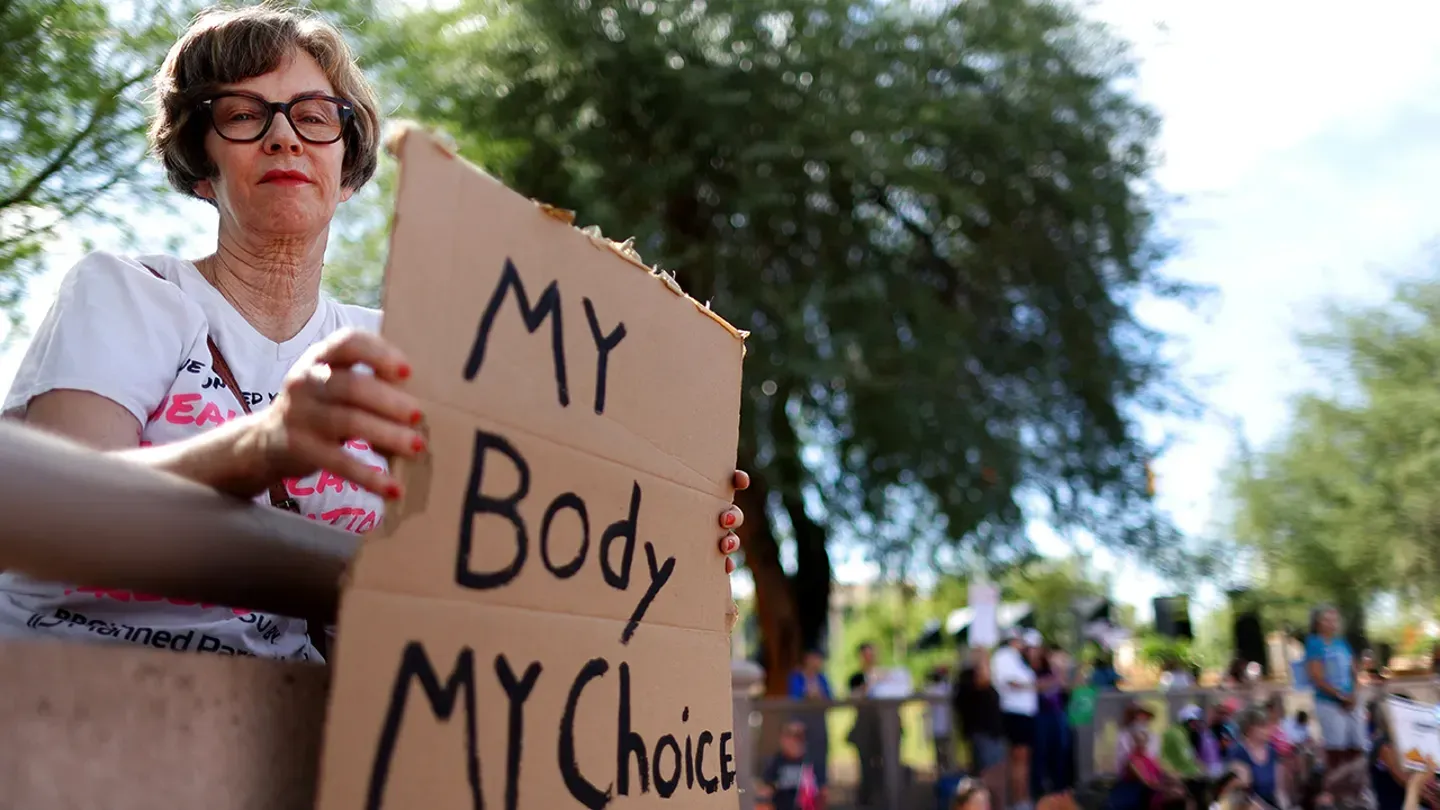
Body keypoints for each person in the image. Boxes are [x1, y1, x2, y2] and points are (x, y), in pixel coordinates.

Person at [0, 4, 746, 660]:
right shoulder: (126, 293)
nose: (284, 138)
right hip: (77, 703)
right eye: (242, 113)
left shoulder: (405, 347)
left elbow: (508, 547)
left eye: (315, 115)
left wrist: (664, 530)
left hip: (300, 733)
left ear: (348, 166)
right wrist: (264, 446)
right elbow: (63, 514)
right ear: (201, 163)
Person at [1304, 606, 1364, 778]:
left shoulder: (1342, 643)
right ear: (1317, 622)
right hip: (1329, 703)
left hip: (1351, 700)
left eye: (1334, 619)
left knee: (1357, 744)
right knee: (1337, 748)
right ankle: (1337, 786)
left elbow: (1354, 671)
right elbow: (1317, 676)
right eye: (1327, 619)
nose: (1332, 623)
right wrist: (1340, 696)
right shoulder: (1314, 643)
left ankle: (1356, 783)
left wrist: (1353, 695)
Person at [1110, 706, 1191, 810]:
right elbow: (1139, 774)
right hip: (1135, 789)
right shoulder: (1129, 750)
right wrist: (1155, 785)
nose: (1142, 719)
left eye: (1145, 716)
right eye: (1139, 716)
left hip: (1152, 788)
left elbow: (1158, 769)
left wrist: (1173, 777)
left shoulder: (1149, 754)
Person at [956, 645, 1008, 806]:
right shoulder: (968, 679)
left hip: (993, 734)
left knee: (997, 776)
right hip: (983, 735)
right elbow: (982, 681)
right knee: (987, 778)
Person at [993, 628, 1039, 810]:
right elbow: (1011, 682)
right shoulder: (1004, 656)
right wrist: (1037, 685)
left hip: (1023, 715)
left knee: (1022, 762)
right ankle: (1018, 801)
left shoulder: (1016, 659)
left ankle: (1021, 798)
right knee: (1018, 762)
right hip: (1015, 714)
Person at [787, 649, 832, 801]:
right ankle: (801, 796)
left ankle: (821, 793)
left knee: (820, 758)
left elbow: (829, 698)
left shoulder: (822, 678)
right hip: (802, 724)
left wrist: (819, 695)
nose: (818, 662)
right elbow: (794, 698)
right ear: (807, 659)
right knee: (802, 758)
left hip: (819, 724)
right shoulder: (797, 677)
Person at [1032, 639, 1074, 799]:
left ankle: (1060, 787)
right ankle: (1042, 789)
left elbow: (1067, 687)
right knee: (1042, 751)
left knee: (1061, 750)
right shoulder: (1039, 671)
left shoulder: (1059, 673)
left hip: (1059, 715)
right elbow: (1039, 685)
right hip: (1042, 717)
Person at [1227, 708, 1285, 810]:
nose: (1268, 730)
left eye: (1268, 726)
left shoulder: (1272, 751)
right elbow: (1242, 794)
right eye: (1263, 726)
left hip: (1270, 804)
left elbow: (1278, 790)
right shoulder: (1238, 752)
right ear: (1249, 729)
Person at [758, 720, 822, 810]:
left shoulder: (812, 761)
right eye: (788, 736)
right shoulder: (777, 761)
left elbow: (822, 791)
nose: (792, 741)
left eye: (797, 736)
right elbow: (766, 789)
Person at [927, 664, 957, 773]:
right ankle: (945, 772)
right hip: (943, 726)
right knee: (944, 752)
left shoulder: (935, 689)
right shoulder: (943, 688)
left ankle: (945, 772)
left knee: (943, 753)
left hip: (941, 726)